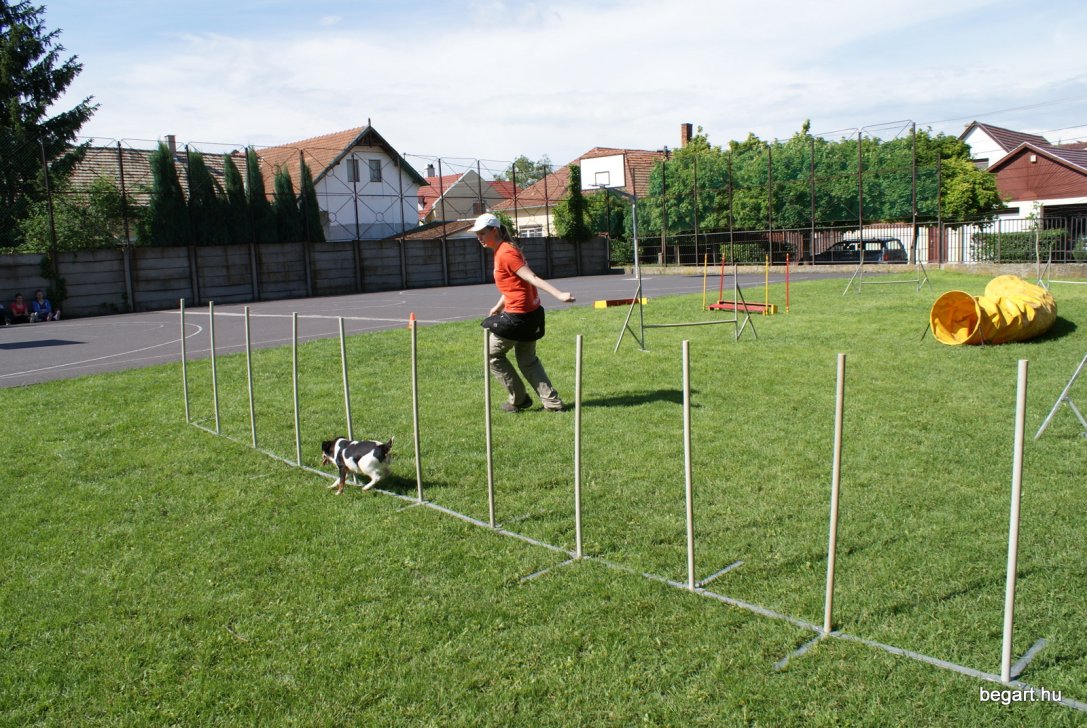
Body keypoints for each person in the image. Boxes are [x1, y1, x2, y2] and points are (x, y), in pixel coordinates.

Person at [472, 212, 575, 412]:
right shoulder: (507, 249)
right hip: (531, 313)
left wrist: (559, 294)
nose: (479, 237)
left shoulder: (506, 253)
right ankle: (553, 403)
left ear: (495, 231)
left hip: (518, 316)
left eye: (482, 233)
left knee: (492, 355)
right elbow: (514, 284)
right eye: (477, 234)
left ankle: (519, 399)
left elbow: (531, 278)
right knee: (528, 361)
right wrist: (499, 306)